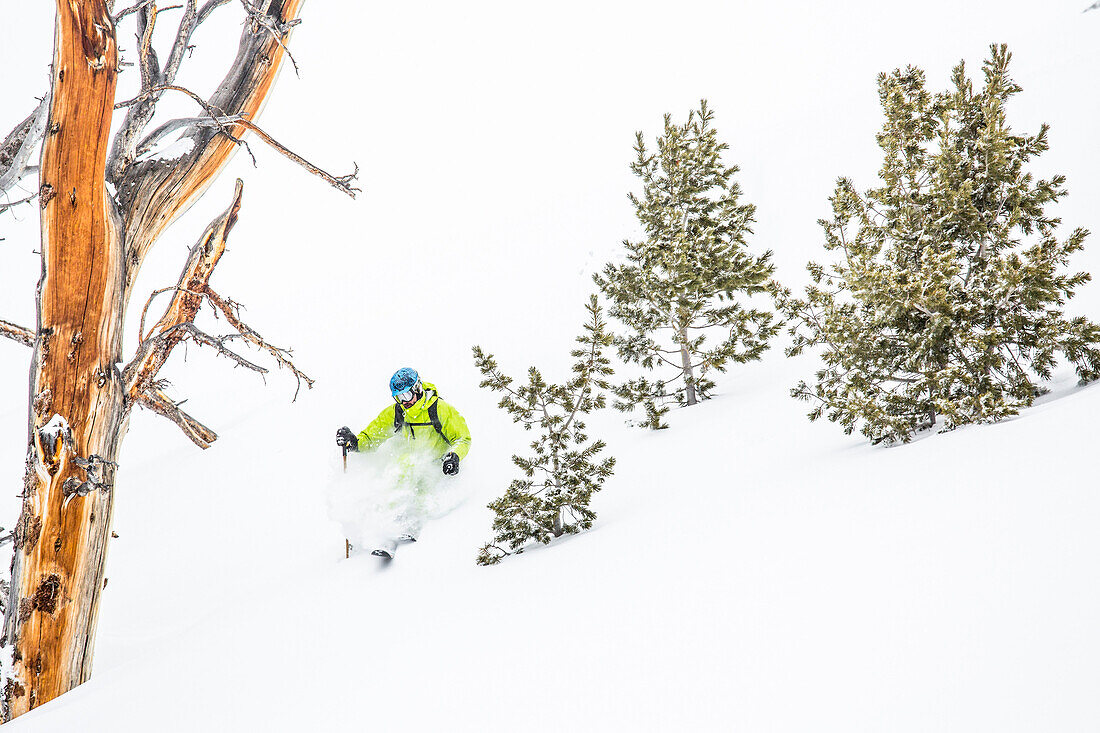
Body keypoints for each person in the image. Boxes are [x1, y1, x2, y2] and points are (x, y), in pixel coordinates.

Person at [335, 368, 471, 556]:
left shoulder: (440, 410)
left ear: (417, 388)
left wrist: (454, 456)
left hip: (436, 467)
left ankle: (410, 524)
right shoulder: (398, 412)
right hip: (408, 463)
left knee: (419, 481)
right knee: (394, 478)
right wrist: (355, 442)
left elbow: (463, 439)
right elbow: (374, 435)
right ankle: (382, 535)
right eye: (398, 397)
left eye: (407, 394)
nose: (404, 401)